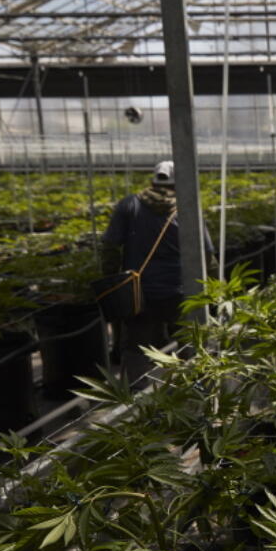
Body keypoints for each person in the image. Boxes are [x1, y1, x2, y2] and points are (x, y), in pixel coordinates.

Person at [101, 159, 215, 384]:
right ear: (178, 183)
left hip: (139, 293)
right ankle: (194, 387)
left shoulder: (129, 205)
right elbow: (208, 253)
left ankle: (136, 397)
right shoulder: (187, 208)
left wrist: (112, 283)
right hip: (181, 291)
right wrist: (215, 286)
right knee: (189, 342)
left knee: (137, 347)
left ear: (153, 180)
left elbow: (110, 248)